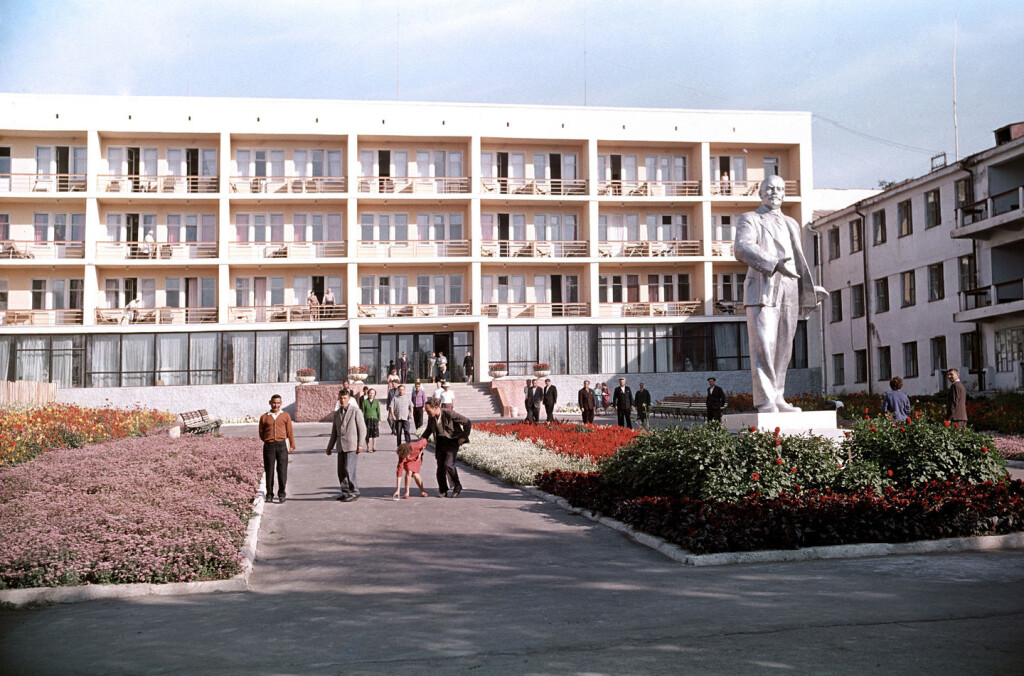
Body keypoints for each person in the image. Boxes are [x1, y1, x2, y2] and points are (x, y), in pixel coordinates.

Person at [734, 175, 828, 413]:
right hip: (763, 287)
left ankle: (777, 397)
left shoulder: (791, 223)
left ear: (784, 194)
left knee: (784, 348)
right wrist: (774, 263)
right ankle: (765, 400)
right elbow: (742, 247)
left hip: (790, 288)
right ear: (760, 193)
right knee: (764, 346)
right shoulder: (750, 218)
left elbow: (798, 260)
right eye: (769, 188)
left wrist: (808, 290)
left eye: (779, 189)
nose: (774, 192)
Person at [420, 397, 471, 498]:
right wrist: (421, 442)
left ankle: (457, 485)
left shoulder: (449, 413)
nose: (427, 413)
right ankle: (443, 490)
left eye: (428, 411)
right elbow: (428, 430)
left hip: (452, 441)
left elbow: (467, 422)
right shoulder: (431, 417)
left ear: (435, 407)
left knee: (448, 464)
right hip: (440, 442)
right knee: (440, 468)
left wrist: (463, 437)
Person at [326, 389, 366, 502]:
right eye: (341, 398)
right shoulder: (337, 413)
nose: (342, 400)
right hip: (340, 446)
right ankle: (345, 492)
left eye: (345, 398)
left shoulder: (356, 411)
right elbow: (334, 432)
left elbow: (362, 429)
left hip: (352, 445)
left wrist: (360, 444)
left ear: (349, 399)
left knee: (349, 469)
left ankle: (354, 492)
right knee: (341, 471)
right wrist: (330, 446)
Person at [258, 394, 295, 504]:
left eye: (278, 403)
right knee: (269, 471)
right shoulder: (264, 417)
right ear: (270, 403)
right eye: (274, 403)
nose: (276, 405)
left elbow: (289, 431)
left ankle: (282, 494)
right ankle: (269, 494)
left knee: (282, 470)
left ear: (281, 403)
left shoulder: (285, 416)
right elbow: (261, 433)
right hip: (269, 446)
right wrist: (268, 440)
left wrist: (292, 445)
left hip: (282, 445)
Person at [360, 388, 381, 453]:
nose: (371, 394)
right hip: (367, 419)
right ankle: (368, 447)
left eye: (373, 393)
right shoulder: (365, 402)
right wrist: (362, 420)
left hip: (374, 419)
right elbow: (362, 411)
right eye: (370, 393)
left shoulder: (376, 402)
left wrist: (379, 420)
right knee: (367, 434)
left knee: (374, 434)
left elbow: (378, 411)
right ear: (368, 393)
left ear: (375, 394)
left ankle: (374, 446)